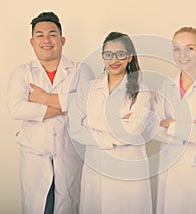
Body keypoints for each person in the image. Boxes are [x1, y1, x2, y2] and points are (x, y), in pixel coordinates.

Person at [7, 11, 93, 214]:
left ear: (62, 40)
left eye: (52, 34)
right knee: (38, 207)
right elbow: (16, 108)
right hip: (35, 157)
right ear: (32, 41)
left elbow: (88, 103)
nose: (46, 40)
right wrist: (67, 104)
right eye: (40, 35)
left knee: (67, 207)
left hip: (69, 155)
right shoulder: (22, 72)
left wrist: (43, 99)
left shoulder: (82, 70)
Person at [68, 31, 152, 213]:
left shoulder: (141, 91)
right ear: (102, 57)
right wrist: (116, 125)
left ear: (129, 57)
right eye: (108, 54)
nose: (114, 60)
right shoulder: (87, 88)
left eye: (120, 54)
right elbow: (74, 127)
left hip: (128, 171)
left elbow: (131, 131)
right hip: (96, 170)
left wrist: (91, 123)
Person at [153, 27, 196, 214]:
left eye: (190, 48)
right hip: (168, 170)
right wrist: (191, 125)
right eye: (177, 49)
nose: (182, 55)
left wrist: (170, 123)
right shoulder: (166, 86)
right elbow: (153, 129)